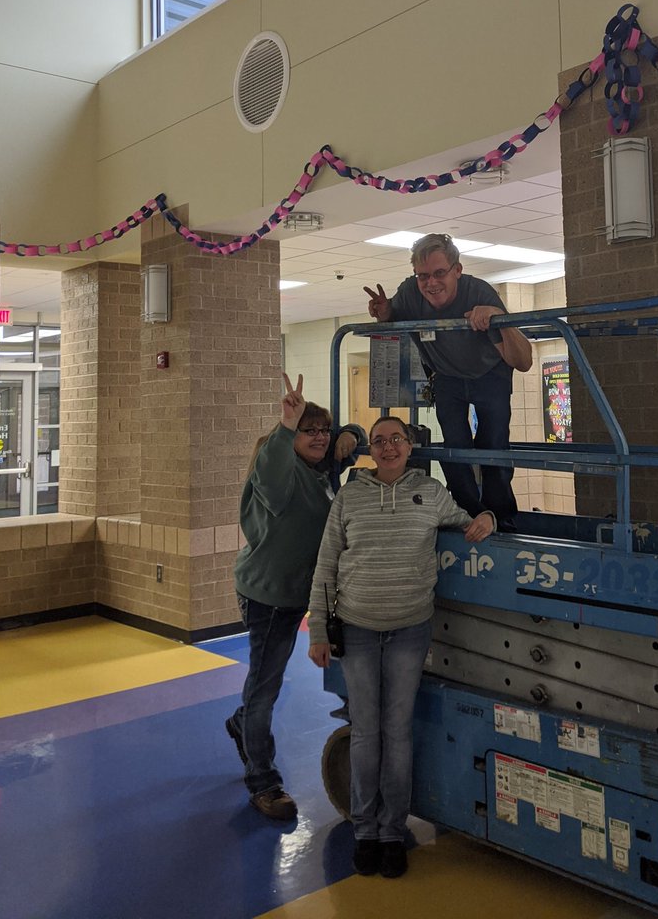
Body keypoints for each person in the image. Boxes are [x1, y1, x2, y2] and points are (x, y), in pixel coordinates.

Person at [307, 415, 495, 878]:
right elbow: (326, 563)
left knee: (397, 732)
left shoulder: (430, 493)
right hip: (357, 630)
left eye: (396, 439)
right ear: (370, 450)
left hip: (410, 630)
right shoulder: (350, 495)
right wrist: (318, 631)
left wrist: (488, 518)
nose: (388, 447)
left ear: (410, 446)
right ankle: (365, 831)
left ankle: (392, 833)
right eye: (379, 441)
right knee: (366, 733)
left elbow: (468, 521)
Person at [226, 372, 365, 822]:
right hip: (268, 597)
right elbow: (271, 467)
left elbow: (354, 440)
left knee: (264, 689)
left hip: (303, 594)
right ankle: (262, 782)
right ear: (290, 438)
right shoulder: (278, 478)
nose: (320, 437)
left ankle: (242, 724)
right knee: (265, 688)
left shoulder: (320, 472)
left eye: (323, 430)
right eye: (310, 431)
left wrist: (350, 434)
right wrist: (288, 424)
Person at [364, 232, 532, 528]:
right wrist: (385, 311)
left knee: (493, 445)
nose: (431, 283)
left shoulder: (479, 293)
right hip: (446, 375)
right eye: (423, 275)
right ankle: (467, 514)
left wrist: (496, 316)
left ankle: (499, 517)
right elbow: (392, 314)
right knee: (454, 446)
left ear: (457, 270)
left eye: (439, 273)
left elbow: (523, 361)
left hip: (490, 373)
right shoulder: (410, 292)